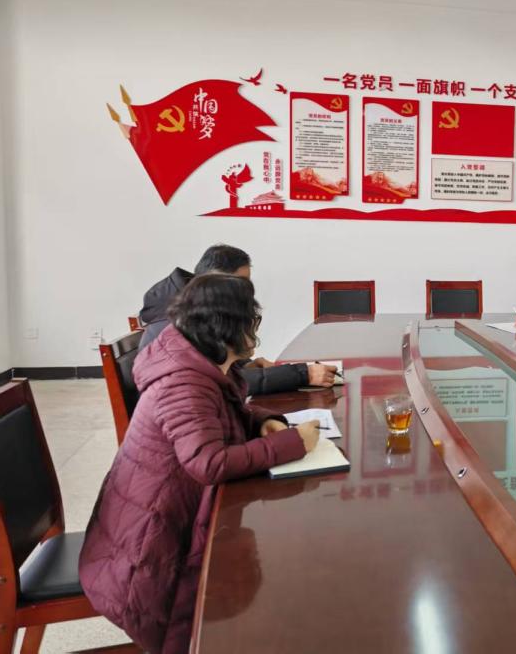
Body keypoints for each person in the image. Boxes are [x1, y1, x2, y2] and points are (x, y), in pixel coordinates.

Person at [79, 274, 319, 654]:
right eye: (252, 321)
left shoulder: (200, 363)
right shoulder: (183, 382)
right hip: (148, 548)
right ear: (226, 328)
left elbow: (217, 417)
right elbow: (208, 463)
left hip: (165, 517)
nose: (256, 332)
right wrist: (292, 443)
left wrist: (261, 422)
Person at [138, 244, 335, 393]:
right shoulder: (178, 324)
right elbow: (215, 383)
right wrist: (300, 375)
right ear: (216, 283)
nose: (247, 294)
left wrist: (243, 365)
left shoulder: (196, 309)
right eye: (240, 285)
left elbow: (216, 363)